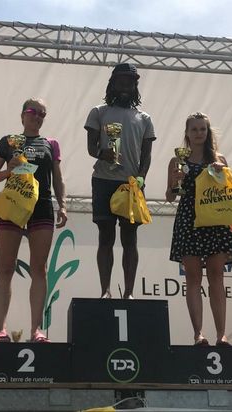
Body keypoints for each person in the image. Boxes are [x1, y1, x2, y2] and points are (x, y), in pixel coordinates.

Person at [0, 98, 67, 343]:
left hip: (41, 207)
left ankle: (36, 330)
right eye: (33, 111)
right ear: (22, 114)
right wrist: (9, 170)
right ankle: (0, 329)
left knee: (39, 269)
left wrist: (63, 205)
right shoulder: (8, 141)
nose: (37, 117)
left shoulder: (51, 144)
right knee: (5, 266)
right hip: (12, 203)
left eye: (42, 114)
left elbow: (57, 178)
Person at [166, 112, 232, 346]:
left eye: (202, 129)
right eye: (194, 129)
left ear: (208, 133)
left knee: (217, 276)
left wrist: (222, 172)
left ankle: (221, 334)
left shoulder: (219, 159)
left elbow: (229, 191)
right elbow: (170, 197)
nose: (199, 133)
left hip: (215, 218)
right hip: (189, 218)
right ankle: (198, 333)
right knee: (193, 277)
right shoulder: (177, 160)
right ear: (187, 133)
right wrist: (175, 181)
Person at [85, 63, 156, 299]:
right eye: (121, 81)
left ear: (135, 86)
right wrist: (101, 153)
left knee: (130, 239)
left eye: (130, 82)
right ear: (112, 84)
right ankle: (105, 290)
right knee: (105, 237)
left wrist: (141, 177)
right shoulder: (98, 112)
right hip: (103, 180)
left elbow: (146, 155)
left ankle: (128, 292)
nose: (125, 85)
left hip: (131, 184)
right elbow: (91, 147)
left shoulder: (144, 118)